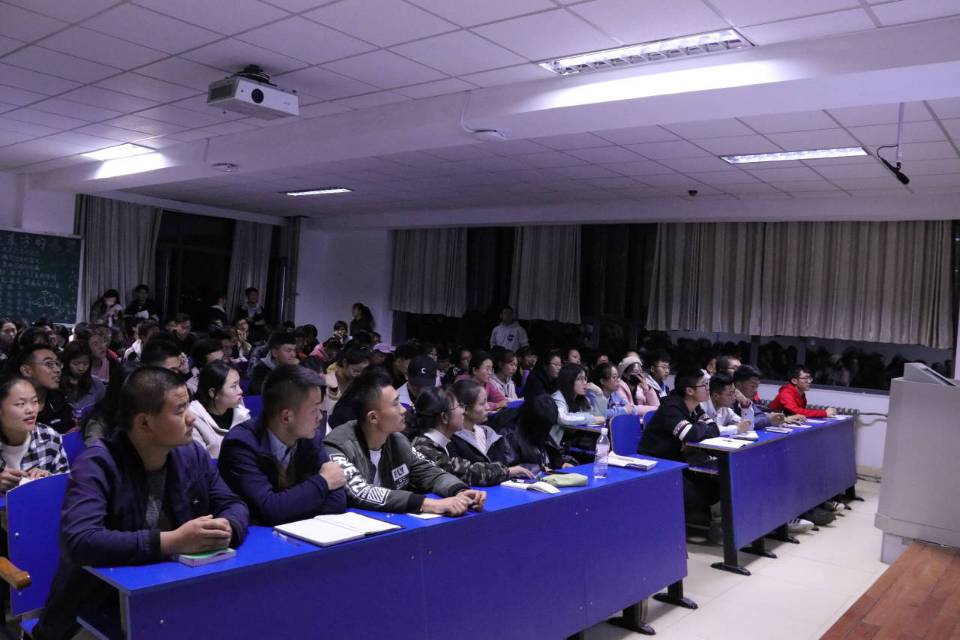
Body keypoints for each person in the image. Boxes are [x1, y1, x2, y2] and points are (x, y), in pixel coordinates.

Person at [35, 367, 249, 640]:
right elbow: (80, 540)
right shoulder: (97, 464)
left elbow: (233, 503)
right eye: (180, 410)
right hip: (95, 611)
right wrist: (172, 541)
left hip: (169, 596)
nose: (192, 417)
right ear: (144, 423)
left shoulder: (191, 454)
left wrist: (227, 527)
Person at [324, 369, 486, 515]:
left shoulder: (398, 441)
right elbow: (361, 491)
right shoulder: (337, 446)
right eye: (395, 404)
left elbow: (431, 472)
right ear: (373, 417)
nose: (403, 410)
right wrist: (428, 504)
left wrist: (459, 491)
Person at [219, 365, 346, 525]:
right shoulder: (240, 445)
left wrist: (287, 507)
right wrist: (323, 482)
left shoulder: (309, 438)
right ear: (286, 417)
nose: (320, 417)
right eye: (315, 410)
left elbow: (337, 500)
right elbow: (268, 509)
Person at [637, 369, 722, 541]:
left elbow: (714, 430)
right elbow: (690, 434)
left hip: (678, 461)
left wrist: (698, 427)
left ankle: (709, 527)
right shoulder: (671, 407)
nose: (708, 388)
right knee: (696, 494)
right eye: (704, 385)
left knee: (715, 484)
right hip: (656, 463)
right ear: (690, 390)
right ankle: (682, 530)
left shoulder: (695, 407)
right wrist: (700, 427)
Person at [410, 387, 532, 486]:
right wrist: (508, 471)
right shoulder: (423, 448)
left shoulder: (438, 442)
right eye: (458, 406)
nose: (463, 411)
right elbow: (468, 472)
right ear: (444, 417)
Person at [0, 376, 69, 493]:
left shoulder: (49, 437)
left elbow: (68, 488)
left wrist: (49, 479)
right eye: (21, 404)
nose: (31, 410)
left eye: (35, 401)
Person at [446, 379, 528, 475]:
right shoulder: (452, 441)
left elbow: (503, 465)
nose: (488, 407)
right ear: (466, 409)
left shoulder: (488, 433)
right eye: (482, 403)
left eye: (487, 402)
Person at [189, 361, 249, 459]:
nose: (240, 391)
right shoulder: (192, 420)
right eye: (234, 386)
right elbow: (199, 462)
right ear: (213, 393)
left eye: (239, 384)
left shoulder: (241, 412)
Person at [501, 395, 575, 473]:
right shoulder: (509, 435)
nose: (547, 430)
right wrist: (540, 469)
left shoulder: (540, 431)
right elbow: (507, 469)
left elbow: (556, 452)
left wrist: (564, 463)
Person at [17, 344, 72, 434]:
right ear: (26, 371)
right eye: (49, 364)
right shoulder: (9, 405)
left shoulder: (60, 400)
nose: (57, 370)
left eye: (58, 364)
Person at [731, 365, 794, 429]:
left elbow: (760, 415)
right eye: (752, 386)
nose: (756, 391)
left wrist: (770, 418)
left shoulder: (748, 400)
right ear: (738, 385)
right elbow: (743, 423)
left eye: (757, 386)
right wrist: (768, 419)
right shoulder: (729, 401)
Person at [321, 346, 369, 426]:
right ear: (345, 363)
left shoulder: (357, 383)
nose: (358, 374)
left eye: (362, 372)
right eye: (355, 370)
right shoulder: (328, 381)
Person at [552, 364, 605, 434]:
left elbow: (600, 418)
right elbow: (563, 418)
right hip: (555, 440)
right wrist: (591, 419)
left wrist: (600, 394)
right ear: (568, 381)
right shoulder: (558, 397)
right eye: (579, 379)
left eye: (585, 378)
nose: (584, 382)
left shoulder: (581, 398)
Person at [769, 366, 837, 418]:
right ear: (794, 381)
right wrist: (824, 413)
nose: (809, 381)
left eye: (810, 378)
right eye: (805, 378)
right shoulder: (786, 392)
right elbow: (796, 411)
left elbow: (800, 413)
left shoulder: (801, 393)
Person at [59, 341, 106, 412]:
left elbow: (102, 410)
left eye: (85, 363)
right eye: (76, 364)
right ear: (66, 363)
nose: (81, 368)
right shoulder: (56, 382)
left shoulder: (97, 384)